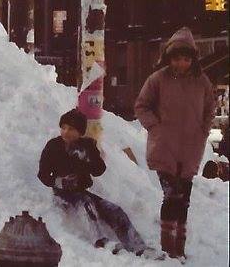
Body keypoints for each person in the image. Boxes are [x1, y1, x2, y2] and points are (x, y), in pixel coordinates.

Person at [134, 27, 216, 260]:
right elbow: (141, 105)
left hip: (190, 149)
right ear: (169, 58)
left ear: (192, 59)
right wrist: (155, 126)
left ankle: (180, 247)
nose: (182, 63)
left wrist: (203, 130)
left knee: (184, 199)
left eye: (186, 58)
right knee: (171, 196)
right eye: (177, 58)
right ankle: (168, 248)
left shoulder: (202, 82)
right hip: (165, 147)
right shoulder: (158, 80)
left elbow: (210, 109)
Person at [38, 109, 154, 257]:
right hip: (62, 193)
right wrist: (60, 182)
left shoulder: (87, 145)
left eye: (71, 129)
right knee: (86, 204)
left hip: (81, 191)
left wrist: (88, 158)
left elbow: (99, 170)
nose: (66, 132)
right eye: (64, 127)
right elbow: (43, 174)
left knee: (114, 210)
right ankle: (100, 241)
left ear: (80, 132)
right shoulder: (53, 146)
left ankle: (138, 246)